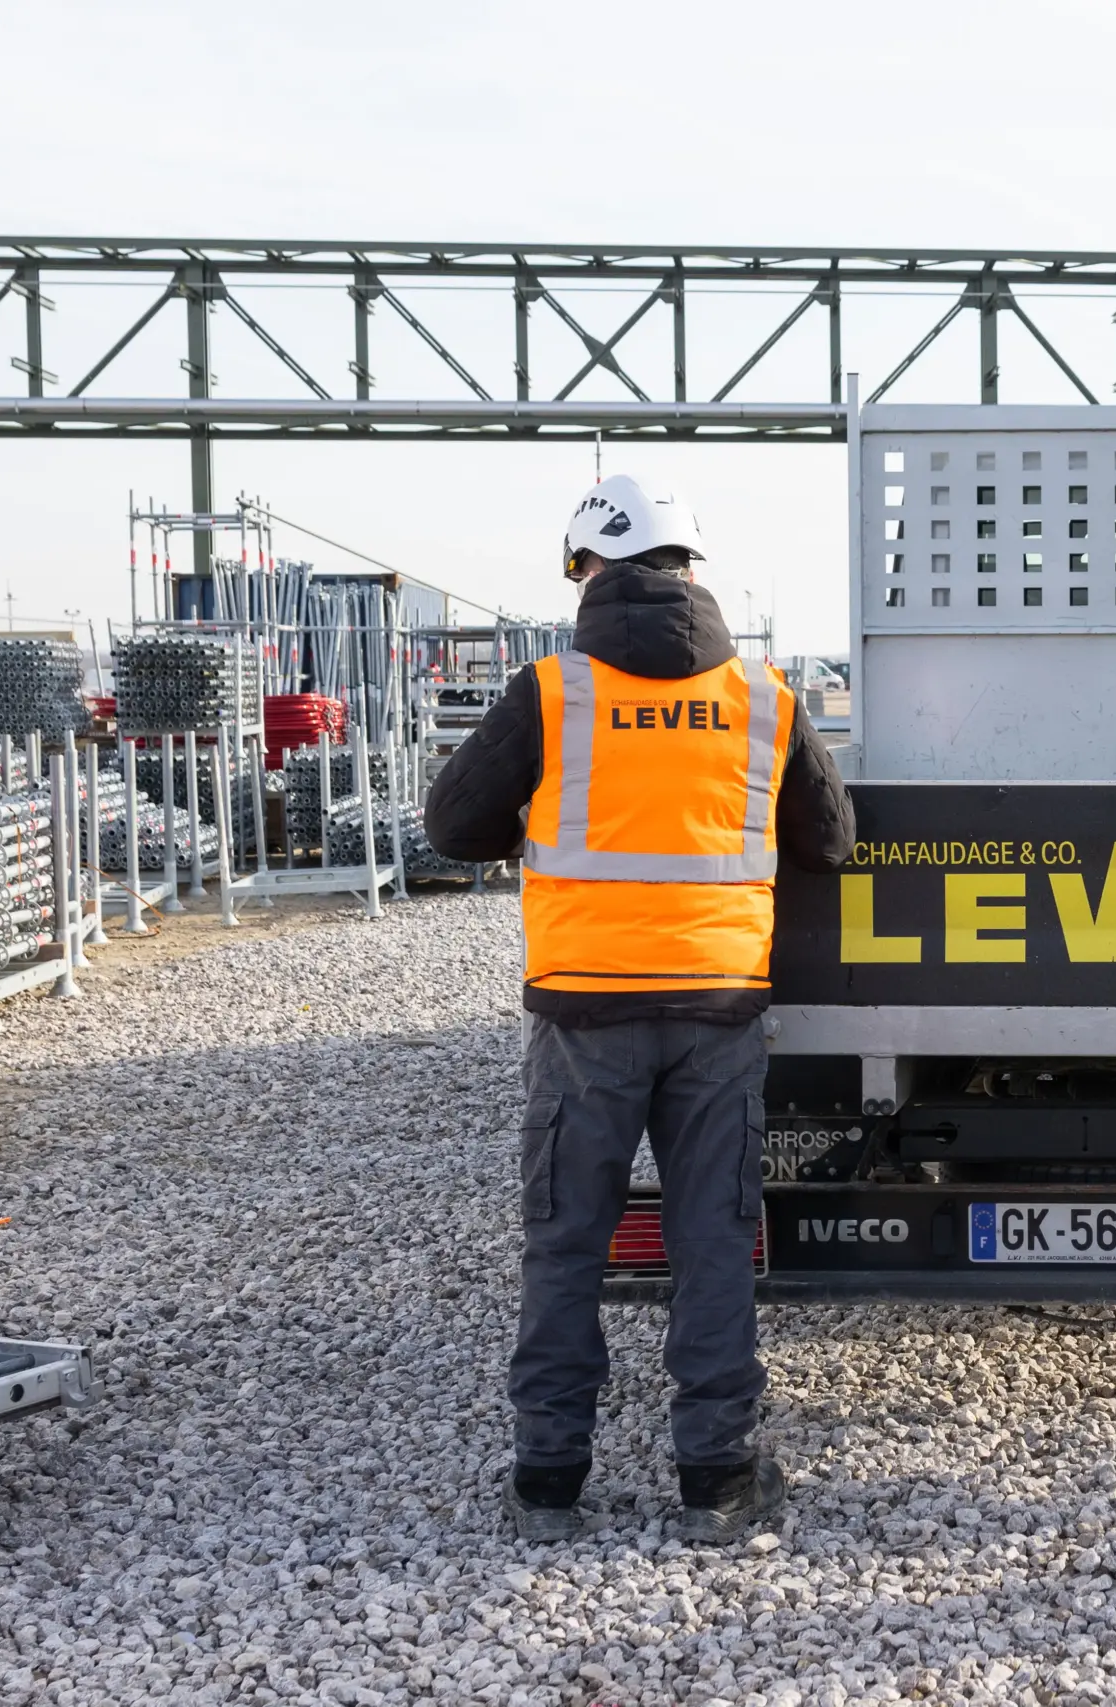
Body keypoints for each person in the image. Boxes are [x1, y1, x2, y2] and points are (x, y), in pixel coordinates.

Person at [426, 474, 854, 1543]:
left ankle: (548, 1480)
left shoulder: (550, 695)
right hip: (718, 1015)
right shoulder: (767, 699)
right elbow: (832, 844)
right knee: (712, 1241)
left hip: (583, 1020)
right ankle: (717, 1479)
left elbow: (452, 827)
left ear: (585, 574)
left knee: (568, 1242)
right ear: (692, 572)